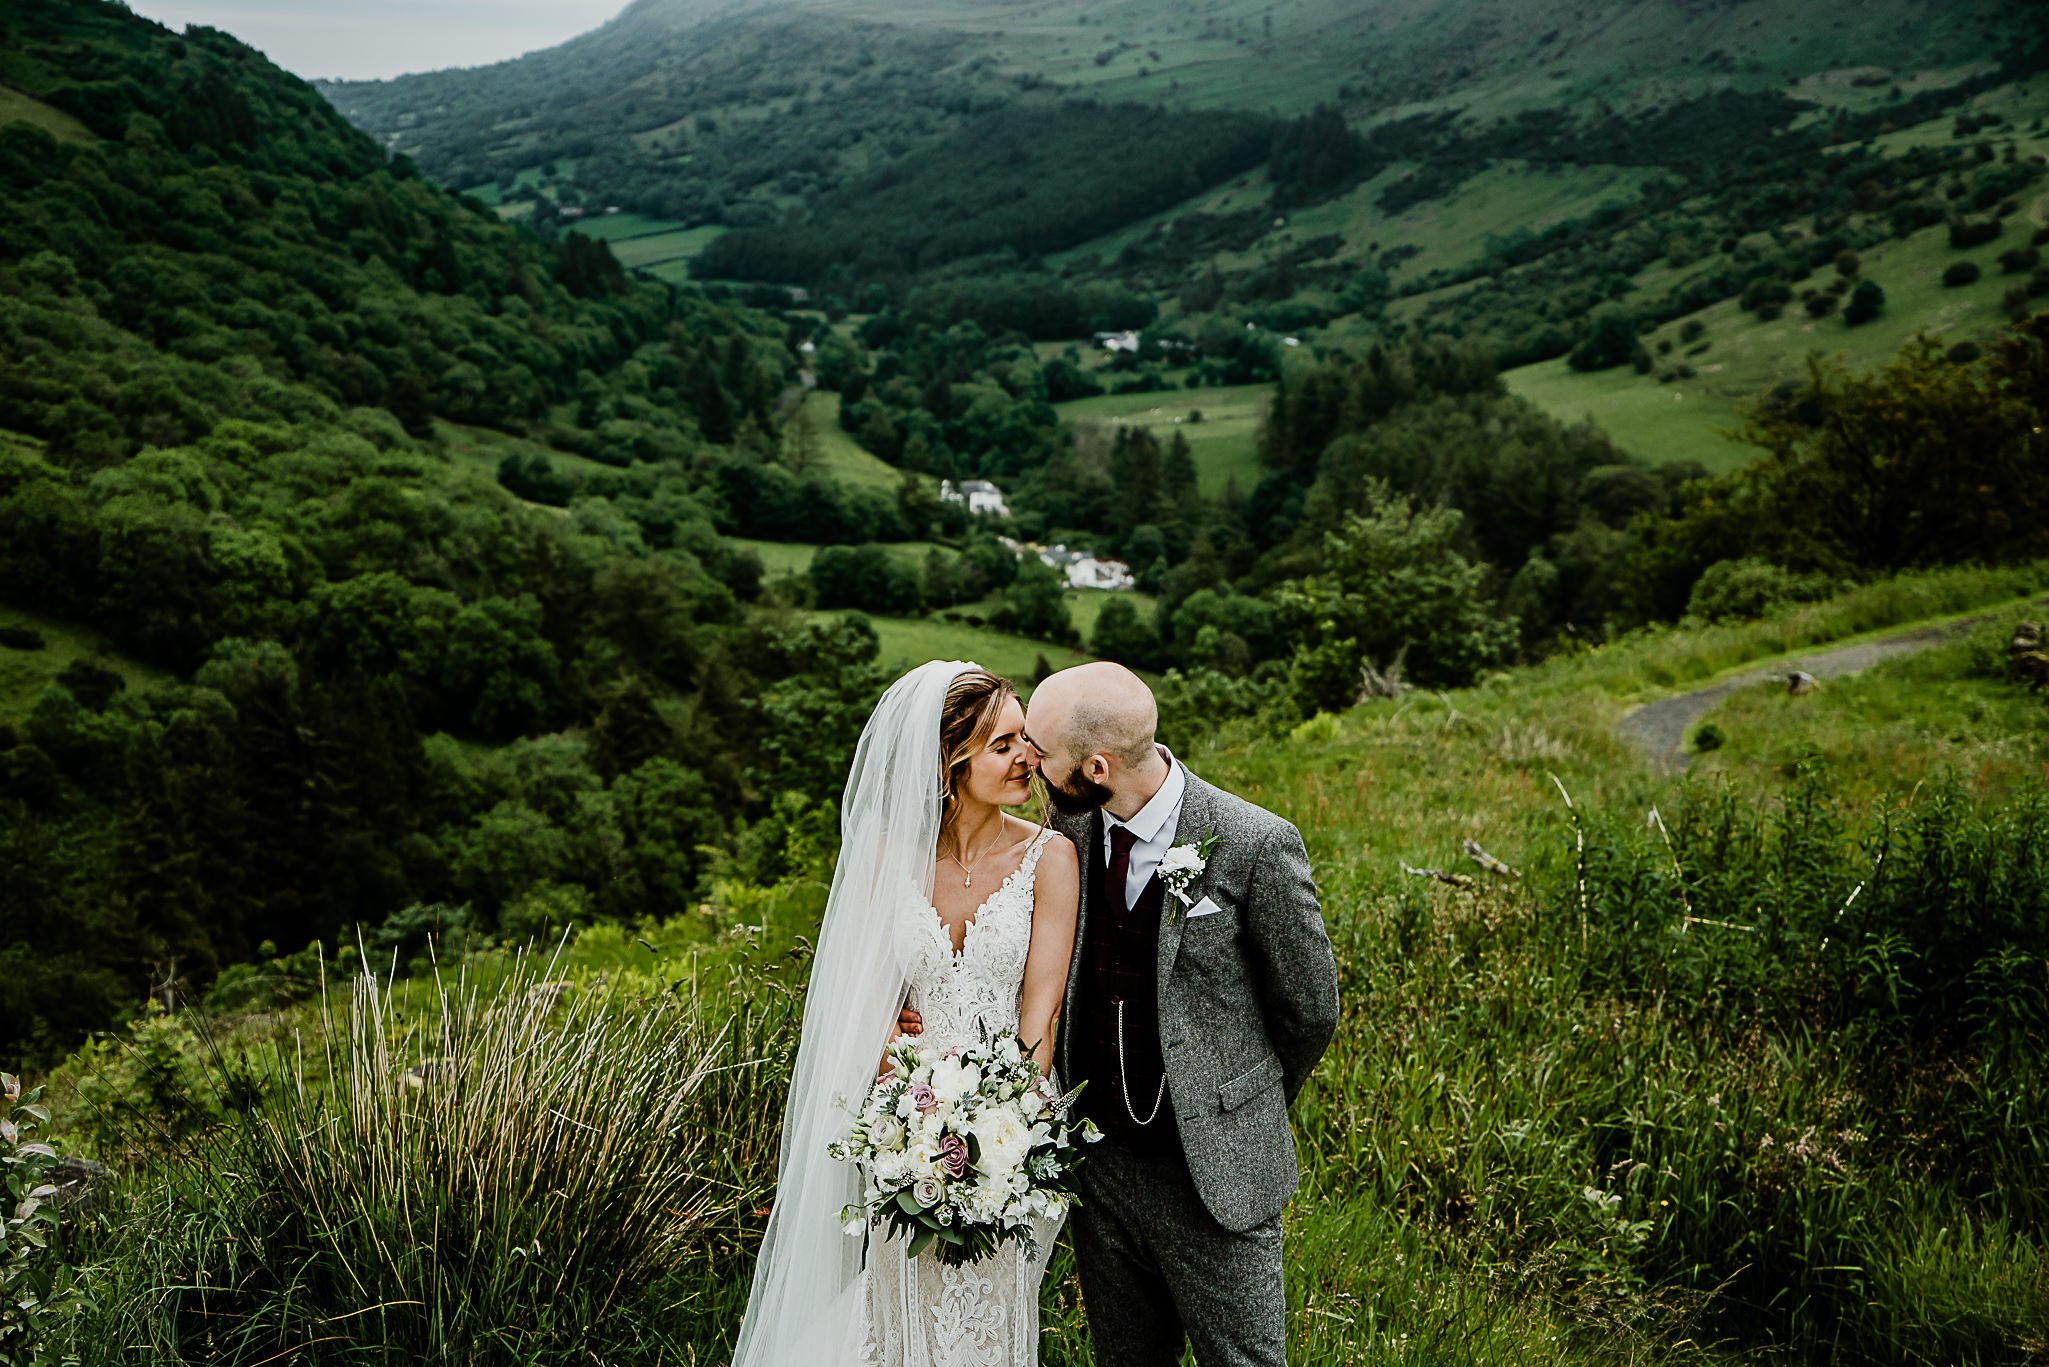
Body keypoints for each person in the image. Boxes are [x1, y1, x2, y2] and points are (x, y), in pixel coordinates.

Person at [904, 660, 1339, 1365]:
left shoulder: (1255, 843)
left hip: (1213, 1173)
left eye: (1040, 749)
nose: (1029, 762)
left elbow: (1310, 1009)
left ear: (1097, 767)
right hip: (1098, 1167)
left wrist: (1240, 1102)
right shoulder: (1066, 831)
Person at [734, 661, 1081, 1367]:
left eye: (1024, 738)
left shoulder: (1050, 858)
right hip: (903, 1127)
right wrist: (885, 1036)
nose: (1027, 757)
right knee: (898, 1317)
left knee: (988, 1324)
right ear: (950, 764)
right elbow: (859, 989)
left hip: (1014, 1126)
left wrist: (1005, 1133)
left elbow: (1040, 1016)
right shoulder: (884, 859)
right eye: (1002, 745)